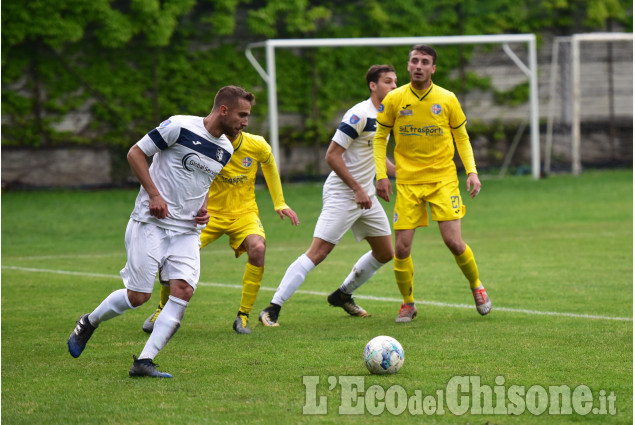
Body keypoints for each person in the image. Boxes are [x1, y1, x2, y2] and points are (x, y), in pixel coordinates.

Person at [67, 85, 255, 378]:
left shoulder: (227, 149)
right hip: (151, 222)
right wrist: (154, 195)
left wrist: (203, 207)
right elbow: (135, 154)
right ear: (223, 110)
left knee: (183, 291)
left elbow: (203, 180)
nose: (245, 122)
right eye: (242, 115)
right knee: (138, 296)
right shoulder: (178, 126)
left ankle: (144, 361)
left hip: (187, 230)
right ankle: (89, 321)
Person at [258, 65, 398, 327]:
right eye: (388, 82)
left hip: (366, 195)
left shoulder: (387, 115)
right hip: (344, 193)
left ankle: (343, 294)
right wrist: (357, 188)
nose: (393, 86)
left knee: (385, 252)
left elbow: (375, 154)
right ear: (373, 86)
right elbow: (331, 155)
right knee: (318, 252)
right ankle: (272, 308)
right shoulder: (359, 114)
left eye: (395, 82)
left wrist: (398, 173)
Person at [373, 44, 492, 323]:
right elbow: (379, 139)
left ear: (433, 68)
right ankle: (407, 303)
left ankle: (477, 286)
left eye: (424, 62)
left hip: (442, 180)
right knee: (401, 248)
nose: (418, 66)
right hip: (408, 182)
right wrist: (381, 175)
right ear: (408, 65)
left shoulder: (447, 98)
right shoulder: (394, 99)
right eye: (414, 61)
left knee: (453, 241)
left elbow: (461, 137)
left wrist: (471, 172)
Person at [141, 130, 299, 335]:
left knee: (258, 248)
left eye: (246, 116)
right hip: (208, 214)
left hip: (244, 213)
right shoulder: (204, 143)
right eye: (240, 115)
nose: (244, 121)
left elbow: (268, 162)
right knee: (175, 254)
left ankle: (243, 315)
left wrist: (279, 202)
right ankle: (162, 310)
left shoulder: (256, 144)